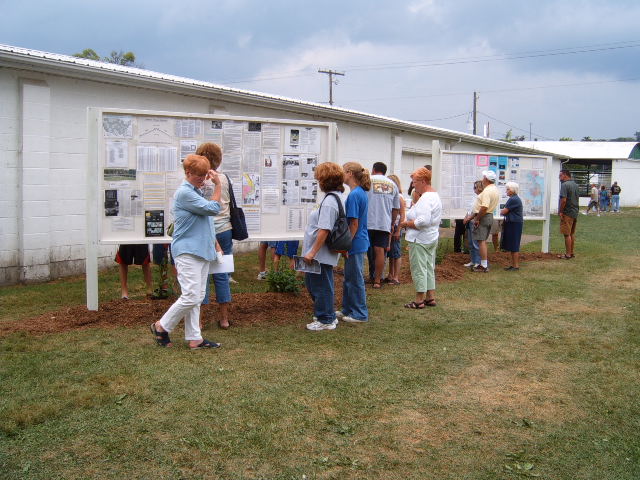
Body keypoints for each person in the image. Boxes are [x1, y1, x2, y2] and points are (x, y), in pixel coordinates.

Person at [150, 154, 222, 349]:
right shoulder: (184, 193)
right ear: (188, 173)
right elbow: (213, 208)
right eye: (198, 175)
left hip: (200, 250)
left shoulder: (196, 191)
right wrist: (218, 185)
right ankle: (161, 326)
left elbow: (205, 219)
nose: (202, 178)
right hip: (188, 251)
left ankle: (194, 338)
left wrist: (214, 244)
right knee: (191, 295)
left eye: (204, 174)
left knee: (197, 296)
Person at [302, 162, 345, 331]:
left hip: (320, 253)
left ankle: (325, 319)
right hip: (321, 253)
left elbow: (324, 229)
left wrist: (312, 252)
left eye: (319, 177)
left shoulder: (329, 202)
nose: (317, 181)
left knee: (320, 286)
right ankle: (327, 314)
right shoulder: (335, 197)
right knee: (318, 284)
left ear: (324, 180)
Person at [197, 142, 234, 330]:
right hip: (225, 228)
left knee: (202, 274)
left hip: (206, 230)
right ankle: (224, 318)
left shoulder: (200, 180)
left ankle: (200, 319)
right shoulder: (224, 178)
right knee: (222, 274)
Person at [400, 167, 441, 308]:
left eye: (415, 182)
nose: (413, 185)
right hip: (430, 237)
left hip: (420, 238)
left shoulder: (426, 198)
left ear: (423, 181)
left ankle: (419, 300)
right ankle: (430, 297)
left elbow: (423, 221)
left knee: (419, 268)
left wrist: (407, 223)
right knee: (429, 267)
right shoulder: (434, 195)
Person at [336, 162, 370, 323]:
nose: (341, 174)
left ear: (349, 173)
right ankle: (348, 309)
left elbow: (354, 223)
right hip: (358, 240)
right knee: (349, 277)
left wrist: (346, 244)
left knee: (355, 278)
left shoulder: (355, 195)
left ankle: (360, 313)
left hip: (355, 243)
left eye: (343, 171)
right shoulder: (358, 192)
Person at [366, 162, 400, 289]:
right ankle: (377, 280)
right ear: (384, 172)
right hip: (384, 223)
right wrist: (391, 223)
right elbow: (396, 208)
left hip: (368, 222)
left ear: (373, 170)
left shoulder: (368, 180)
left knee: (366, 249)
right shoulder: (393, 185)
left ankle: (369, 275)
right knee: (380, 251)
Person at [470, 170, 500, 273]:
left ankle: (483, 265)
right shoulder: (494, 189)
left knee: (481, 241)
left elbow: (484, 207)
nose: (482, 179)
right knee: (483, 241)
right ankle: (484, 264)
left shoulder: (487, 191)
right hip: (488, 215)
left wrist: (477, 218)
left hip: (484, 216)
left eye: (483, 177)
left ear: (486, 179)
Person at [385, 174, 406, 284]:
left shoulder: (399, 197)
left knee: (396, 253)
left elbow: (402, 215)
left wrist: (398, 230)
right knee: (391, 253)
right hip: (391, 226)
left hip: (397, 226)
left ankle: (396, 277)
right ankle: (390, 274)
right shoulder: (393, 196)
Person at [500, 182, 524, 271]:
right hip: (513, 223)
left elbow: (503, 212)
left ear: (513, 190)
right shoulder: (514, 198)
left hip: (514, 223)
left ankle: (516, 266)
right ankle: (513, 265)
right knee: (512, 245)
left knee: (514, 245)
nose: (506, 191)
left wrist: (502, 211)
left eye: (508, 189)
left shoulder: (513, 199)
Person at [557, 169, 579, 259]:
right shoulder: (575, 184)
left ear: (565, 175)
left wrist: (561, 211)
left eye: (560, 176)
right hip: (574, 211)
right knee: (571, 233)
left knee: (566, 234)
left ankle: (568, 254)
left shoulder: (564, 185)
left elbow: (563, 200)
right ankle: (571, 252)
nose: (559, 178)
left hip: (567, 212)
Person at [463, 181, 483, 269]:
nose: (474, 189)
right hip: (469, 220)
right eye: (473, 187)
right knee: (470, 243)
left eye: (475, 187)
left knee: (475, 243)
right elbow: (470, 209)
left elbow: (477, 211)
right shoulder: (474, 197)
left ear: (479, 187)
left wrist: (468, 218)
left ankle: (478, 262)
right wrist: (466, 217)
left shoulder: (481, 197)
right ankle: (473, 261)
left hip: (474, 221)